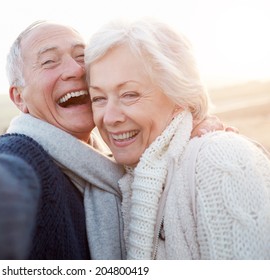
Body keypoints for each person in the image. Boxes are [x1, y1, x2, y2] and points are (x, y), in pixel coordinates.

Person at [0, 20, 230, 260]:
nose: (74, 69)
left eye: (82, 56)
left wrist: (188, 129)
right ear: (19, 98)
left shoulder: (108, 167)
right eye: (49, 61)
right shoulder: (24, 158)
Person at [85, 18, 270, 259]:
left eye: (129, 95)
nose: (109, 118)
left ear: (180, 95)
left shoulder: (220, 160)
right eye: (98, 98)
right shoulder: (120, 180)